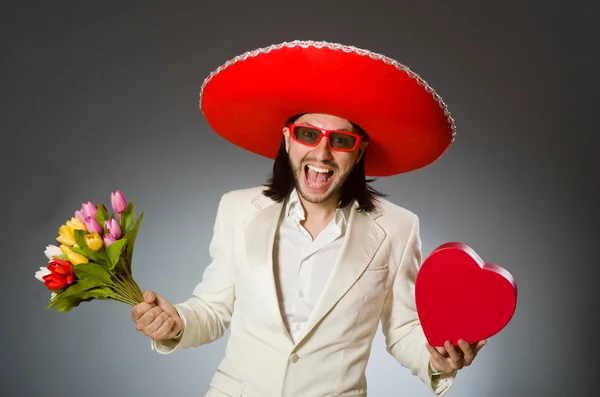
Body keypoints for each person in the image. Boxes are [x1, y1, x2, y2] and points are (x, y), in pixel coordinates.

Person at [131, 40, 486, 397]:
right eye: (307, 134)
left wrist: (437, 361)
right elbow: (213, 308)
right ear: (287, 140)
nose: (321, 153)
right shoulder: (236, 209)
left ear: (360, 150)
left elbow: (403, 329)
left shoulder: (398, 228)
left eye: (341, 140)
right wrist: (176, 322)